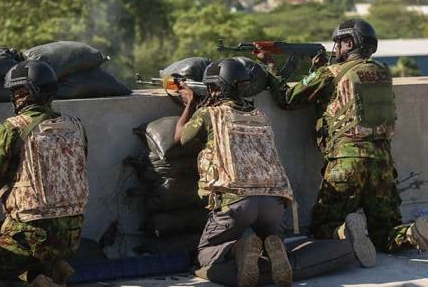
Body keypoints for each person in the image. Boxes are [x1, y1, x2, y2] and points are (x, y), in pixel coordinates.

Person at [256, 19, 428, 268]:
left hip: (346, 163)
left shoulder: (330, 73)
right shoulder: (382, 72)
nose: (334, 48)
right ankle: (413, 234)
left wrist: (270, 67)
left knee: (321, 229)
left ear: (349, 42)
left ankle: (345, 233)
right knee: (384, 233)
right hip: (382, 164)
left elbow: (288, 98)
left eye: (338, 43)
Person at [174, 59, 294, 287]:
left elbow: (180, 138)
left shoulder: (210, 114)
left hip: (237, 202)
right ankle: (273, 246)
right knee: (272, 239)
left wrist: (190, 104)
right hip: (274, 202)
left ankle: (240, 247)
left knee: (205, 253)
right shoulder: (260, 115)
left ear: (216, 87)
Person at [0, 60, 89, 286]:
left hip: (31, 234)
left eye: (16, 91)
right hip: (71, 236)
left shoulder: (12, 129)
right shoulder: (76, 126)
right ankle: (50, 268)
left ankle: (37, 280)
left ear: (26, 92)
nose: (14, 97)